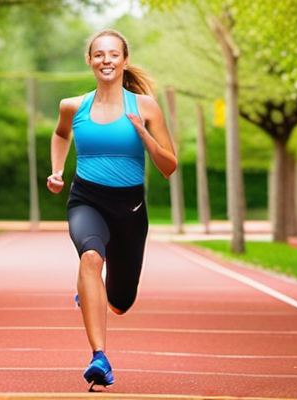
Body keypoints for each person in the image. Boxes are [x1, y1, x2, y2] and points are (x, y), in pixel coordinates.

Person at [47, 29, 177, 390]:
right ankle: (99, 358)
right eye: (99, 54)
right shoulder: (73, 106)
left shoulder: (145, 107)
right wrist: (57, 170)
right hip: (86, 199)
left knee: (119, 302)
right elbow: (61, 134)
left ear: (124, 61)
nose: (106, 60)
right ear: (89, 61)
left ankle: (93, 293)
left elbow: (169, 167)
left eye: (113, 54)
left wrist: (145, 136)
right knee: (90, 257)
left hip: (130, 208)